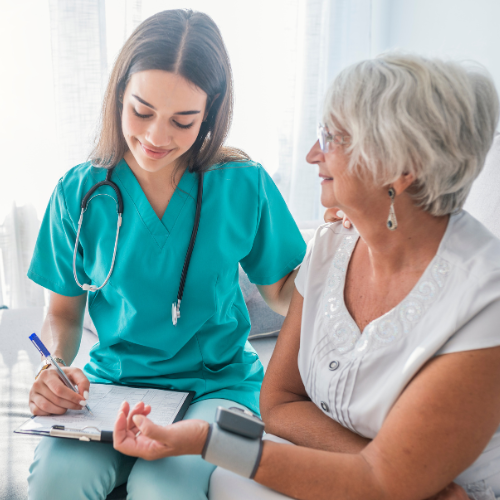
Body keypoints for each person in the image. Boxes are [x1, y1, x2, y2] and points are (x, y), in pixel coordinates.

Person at [112, 54, 500, 500]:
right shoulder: (332, 246)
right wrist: (389, 466)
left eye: (332, 138)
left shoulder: (485, 297)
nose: (313, 154)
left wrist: (208, 440)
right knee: (229, 481)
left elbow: (380, 484)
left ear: (401, 166)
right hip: (391, 481)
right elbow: (277, 404)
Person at [26, 9, 307, 500]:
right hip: (111, 386)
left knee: (164, 488)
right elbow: (63, 314)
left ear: (212, 114)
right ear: (118, 96)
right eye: (141, 111)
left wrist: (350, 252)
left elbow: (286, 292)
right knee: (56, 480)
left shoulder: (243, 184)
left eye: (183, 121)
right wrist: (53, 367)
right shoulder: (78, 192)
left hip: (221, 390)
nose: (156, 137)